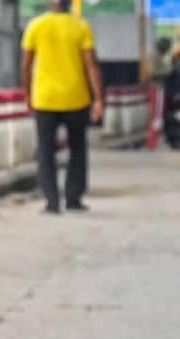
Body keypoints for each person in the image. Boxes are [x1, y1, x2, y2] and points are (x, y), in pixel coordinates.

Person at [22, 0, 104, 214]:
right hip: (75, 97)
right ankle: (73, 198)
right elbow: (91, 65)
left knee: (45, 150)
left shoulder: (36, 26)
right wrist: (98, 99)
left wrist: (27, 94)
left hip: (45, 98)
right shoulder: (80, 26)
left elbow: (26, 65)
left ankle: (51, 201)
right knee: (77, 148)